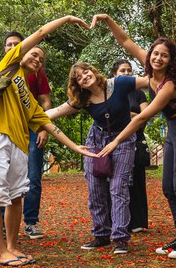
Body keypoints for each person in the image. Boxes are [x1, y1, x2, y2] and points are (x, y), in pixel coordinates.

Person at [0, 16, 95, 267]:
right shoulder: (9, 64)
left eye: (41, 59)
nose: (37, 59)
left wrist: (75, 147)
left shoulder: (29, 100)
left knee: (17, 196)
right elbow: (41, 30)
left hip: (19, 144)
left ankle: (12, 246)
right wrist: (67, 19)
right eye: (34, 54)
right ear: (22, 52)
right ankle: (1, 251)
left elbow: (48, 124)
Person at [92, 14, 176, 259]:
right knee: (167, 186)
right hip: (175, 130)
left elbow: (142, 118)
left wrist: (115, 140)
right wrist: (108, 19)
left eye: (164, 55)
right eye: (155, 53)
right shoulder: (150, 71)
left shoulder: (170, 85)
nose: (158, 58)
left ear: (171, 60)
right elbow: (126, 41)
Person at [47, 62, 149, 254]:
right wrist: (26, 117)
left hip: (124, 139)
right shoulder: (83, 99)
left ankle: (120, 238)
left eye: (85, 72)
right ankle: (101, 234)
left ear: (93, 70)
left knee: (118, 188)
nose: (84, 77)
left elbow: (150, 80)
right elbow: (54, 112)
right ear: (78, 85)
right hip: (97, 139)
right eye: (79, 77)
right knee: (95, 188)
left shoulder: (119, 83)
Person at [2, 32, 51, 240]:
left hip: (31, 128)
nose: (13, 46)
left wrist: (43, 127)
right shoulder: (4, 67)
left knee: (32, 175)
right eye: (9, 44)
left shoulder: (36, 72)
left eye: (17, 44)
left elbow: (45, 101)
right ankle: (4, 223)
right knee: (3, 176)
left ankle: (30, 222)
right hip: (6, 128)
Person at [111, 59, 150, 233]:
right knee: (118, 183)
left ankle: (139, 222)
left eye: (129, 70)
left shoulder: (138, 93)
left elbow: (146, 115)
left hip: (136, 140)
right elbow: (110, 115)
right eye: (122, 71)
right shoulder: (110, 91)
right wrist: (134, 116)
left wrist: (133, 116)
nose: (126, 73)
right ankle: (118, 220)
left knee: (137, 181)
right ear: (114, 75)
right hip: (114, 140)